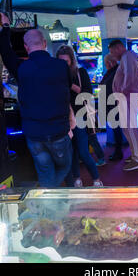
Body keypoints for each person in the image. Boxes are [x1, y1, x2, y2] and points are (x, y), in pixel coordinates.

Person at [0, 13, 72, 187]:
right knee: (65, 165)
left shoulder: (22, 68)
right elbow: (67, 90)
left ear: (25, 47)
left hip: (34, 134)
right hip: (58, 130)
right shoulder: (61, 66)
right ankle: (51, 195)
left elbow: (6, 51)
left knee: (45, 171)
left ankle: (48, 200)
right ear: (45, 44)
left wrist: (6, 27)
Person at [56, 45, 104, 187]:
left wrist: (72, 86)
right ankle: (77, 178)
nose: (64, 64)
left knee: (83, 151)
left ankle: (96, 179)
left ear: (72, 60)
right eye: (61, 61)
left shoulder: (79, 72)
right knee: (72, 153)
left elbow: (88, 93)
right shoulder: (56, 75)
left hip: (80, 116)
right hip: (64, 117)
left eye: (66, 61)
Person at [108, 40, 138, 171]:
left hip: (127, 97)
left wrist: (121, 92)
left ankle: (137, 159)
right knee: (127, 127)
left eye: (112, 52)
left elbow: (129, 77)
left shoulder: (127, 56)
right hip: (127, 97)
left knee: (129, 128)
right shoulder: (126, 57)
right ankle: (135, 155)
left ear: (118, 48)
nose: (112, 55)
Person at [100, 53, 124, 161]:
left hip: (115, 104)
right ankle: (118, 151)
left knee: (117, 129)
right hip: (111, 104)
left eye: (106, 63)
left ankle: (118, 152)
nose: (106, 66)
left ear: (110, 62)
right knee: (116, 129)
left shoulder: (116, 71)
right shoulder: (112, 71)